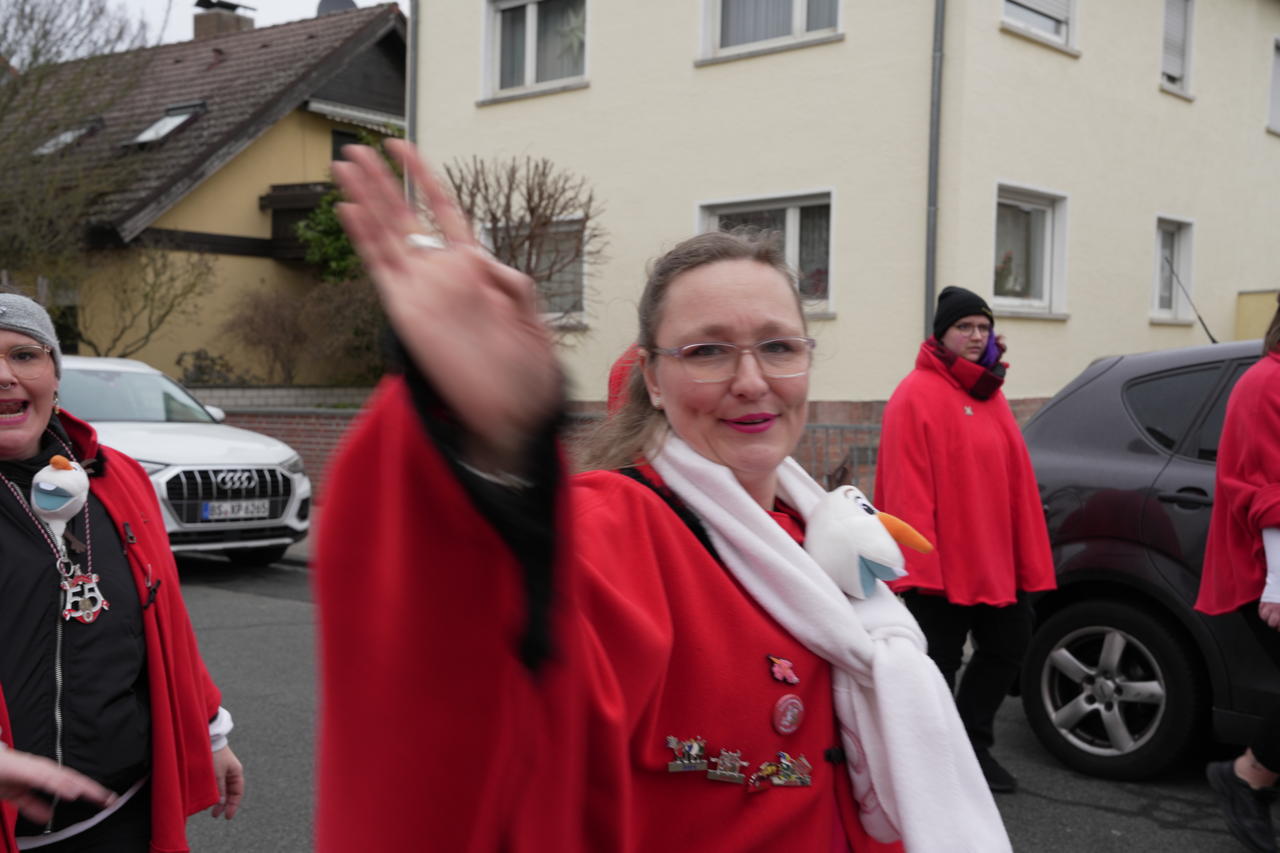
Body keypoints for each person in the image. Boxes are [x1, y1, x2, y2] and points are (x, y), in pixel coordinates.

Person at [313, 140, 1012, 852]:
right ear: (651, 376)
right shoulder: (612, 528)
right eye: (707, 351)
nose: (751, 381)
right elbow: (464, 696)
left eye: (779, 346)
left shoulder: (825, 529)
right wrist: (484, 441)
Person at [0, 293, 244, 852]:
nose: (4, 376)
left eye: (25, 355)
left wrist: (211, 734)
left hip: (120, 815)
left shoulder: (119, 478)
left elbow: (166, 622)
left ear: (55, 376)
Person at [874, 286, 1056, 794]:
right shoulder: (915, 393)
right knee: (939, 662)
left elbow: (1012, 478)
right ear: (942, 334)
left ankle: (970, 744)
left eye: (983, 328)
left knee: (1009, 643)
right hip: (942, 563)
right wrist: (918, 564)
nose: (976, 337)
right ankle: (929, 765)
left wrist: (1021, 550)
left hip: (994, 555)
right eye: (965, 328)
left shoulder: (989, 392)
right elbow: (907, 486)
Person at [1196, 295, 1280, 853]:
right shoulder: (1265, 384)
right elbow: (1265, 493)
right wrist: (1278, 584)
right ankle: (1247, 776)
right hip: (1265, 568)